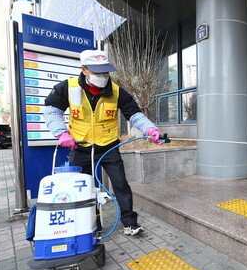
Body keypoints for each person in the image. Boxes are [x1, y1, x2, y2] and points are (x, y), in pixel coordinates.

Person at [43, 49, 163, 236]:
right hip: (81, 148)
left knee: (121, 184)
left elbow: (135, 114)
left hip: (108, 147)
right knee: (83, 189)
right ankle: (91, 225)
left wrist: (151, 129)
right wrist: (61, 133)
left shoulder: (116, 91)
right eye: (97, 72)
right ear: (84, 69)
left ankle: (130, 223)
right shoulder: (68, 87)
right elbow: (51, 110)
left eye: (105, 72)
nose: (102, 76)